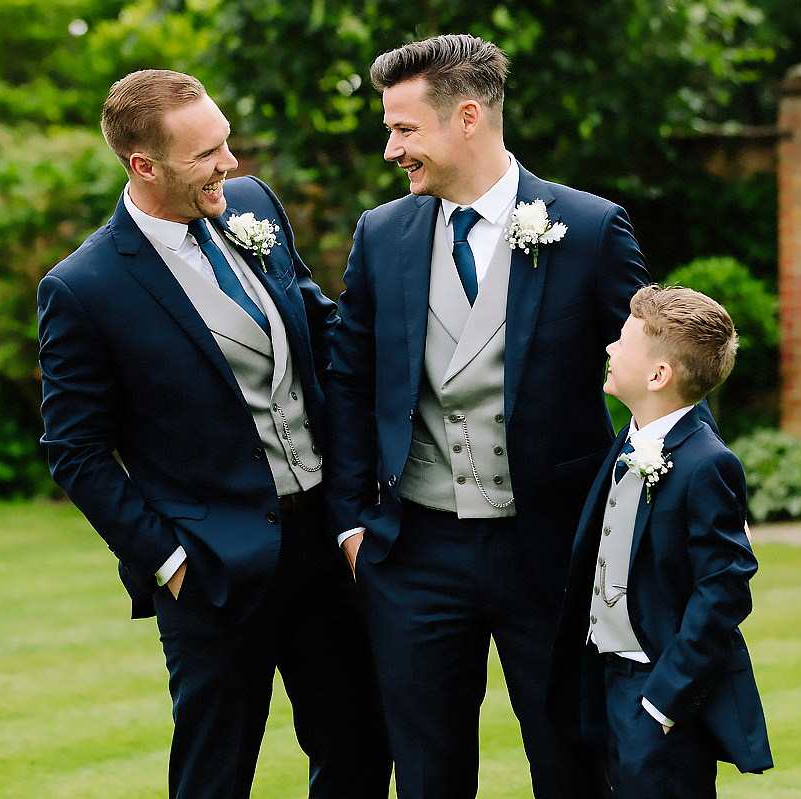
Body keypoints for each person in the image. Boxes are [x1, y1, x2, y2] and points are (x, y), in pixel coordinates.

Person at [36, 69, 391, 799]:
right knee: (215, 772)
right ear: (144, 165)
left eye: (226, 141)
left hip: (324, 540)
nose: (229, 163)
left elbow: (318, 323)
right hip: (214, 568)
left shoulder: (251, 205)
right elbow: (74, 448)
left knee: (360, 744)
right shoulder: (84, 287)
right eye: (206, 154)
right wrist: (168, 560)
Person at [323, 34, 651, 798]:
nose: (390, 149)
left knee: (572, 766)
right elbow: (350, 379)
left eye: (403, 129)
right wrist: (349, 522)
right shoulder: (382, 234)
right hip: (414, 552)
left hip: (551, 550)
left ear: (466, 117)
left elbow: (659, 380)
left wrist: (675, 505)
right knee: (430, 776)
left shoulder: (592, 228)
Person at [549, 285, 773, 797]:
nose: (609, 348)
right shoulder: (629, 438)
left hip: (656, 689)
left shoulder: (707, 463)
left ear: (658, 375)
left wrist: (664, 701)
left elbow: (723, 591)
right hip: (601, 675)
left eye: (623, 342)